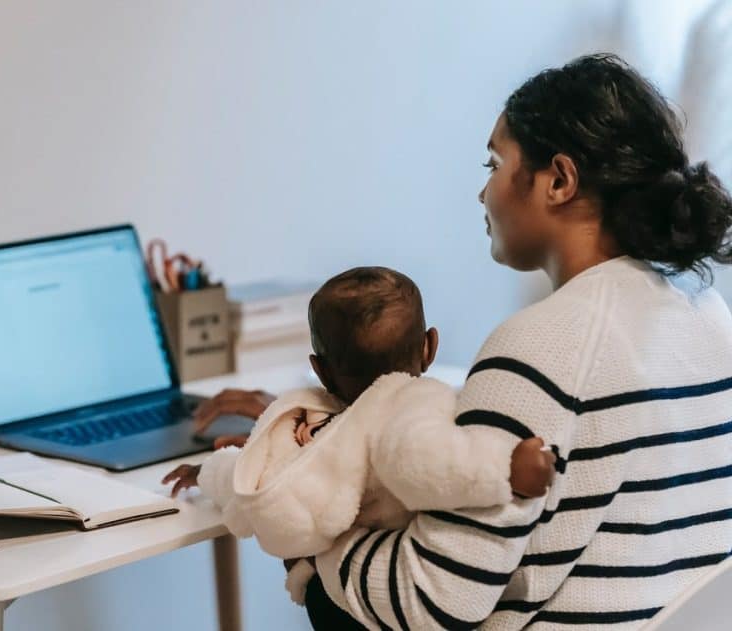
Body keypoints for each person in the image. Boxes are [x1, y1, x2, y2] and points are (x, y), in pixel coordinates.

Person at [193, 54, 732, 629]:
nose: (482, 193)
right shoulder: (704, 311)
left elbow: (431, 600)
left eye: (494, 162)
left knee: (326, 591)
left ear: (558, 180)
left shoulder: (540, 346)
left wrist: (302, 510)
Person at [164, 266, 554, 605]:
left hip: (346, 589)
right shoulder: (414, 415)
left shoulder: (310, 435)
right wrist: (508, 468)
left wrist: (205, 473)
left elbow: (249, 481)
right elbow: (440, 463)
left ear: (320, 370)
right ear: (430, 347)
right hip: (385, 585)